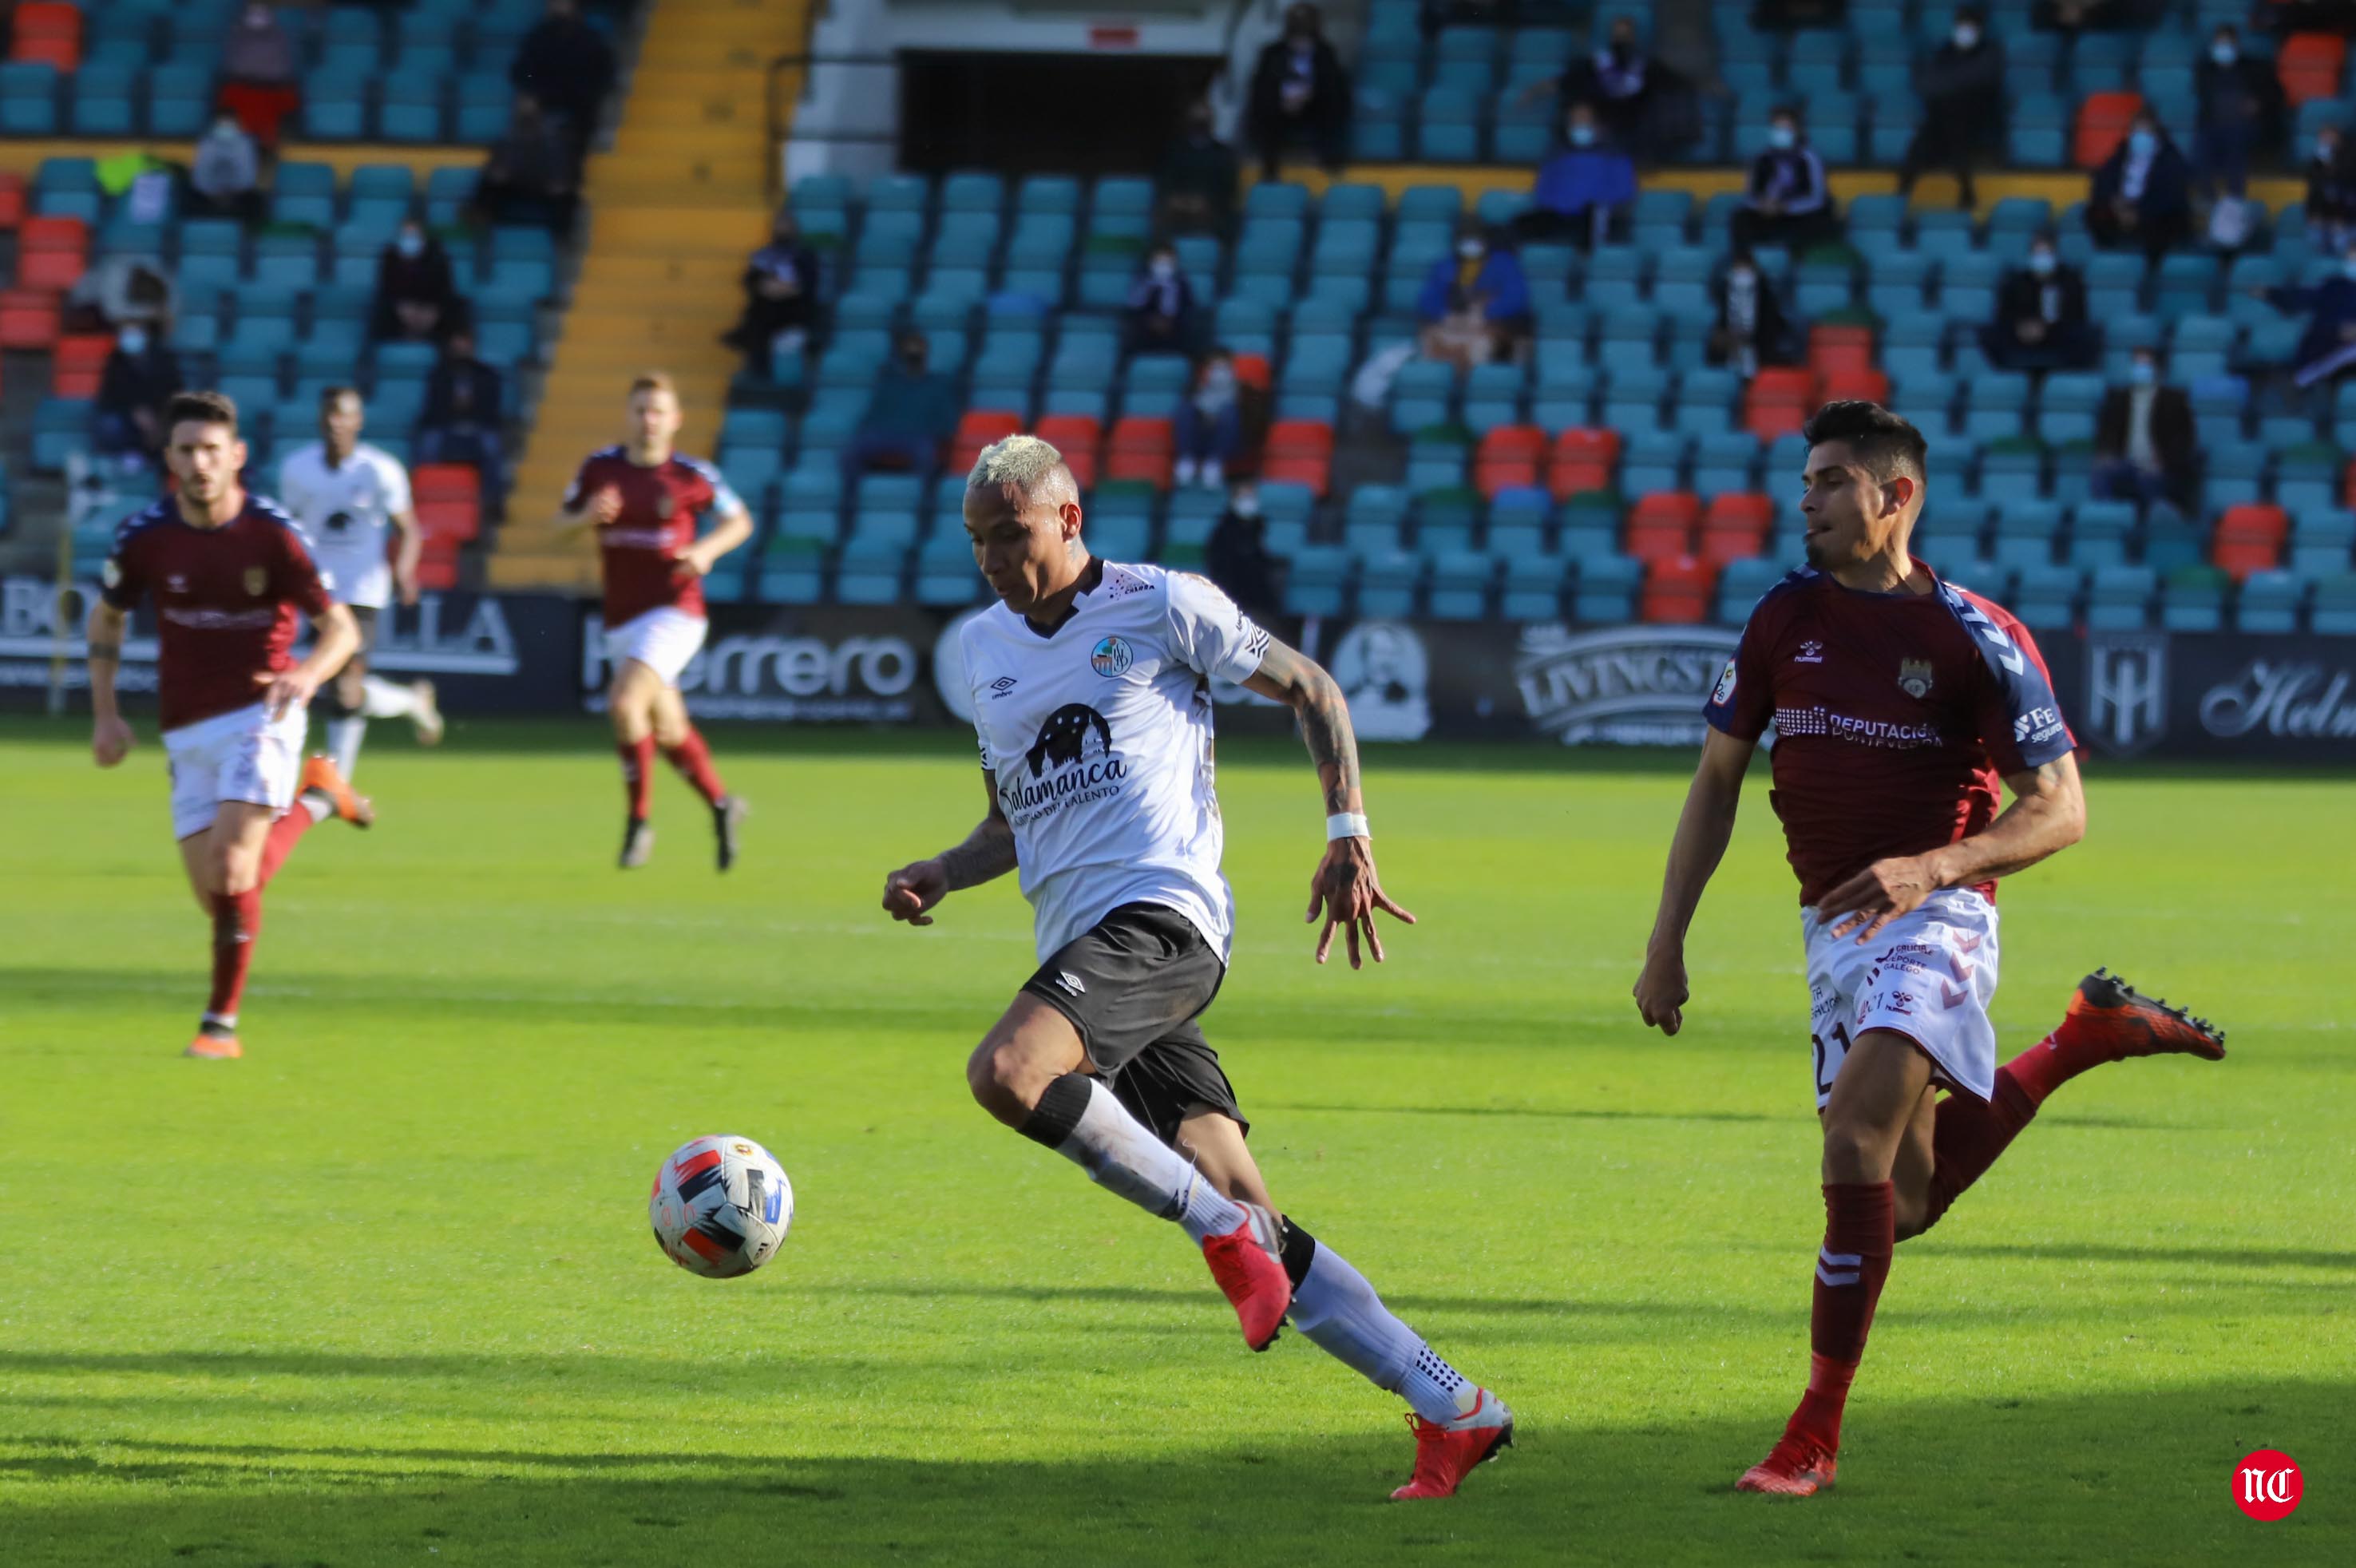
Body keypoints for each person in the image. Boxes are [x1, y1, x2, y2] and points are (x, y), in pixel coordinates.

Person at [881, 434, 1515, 1503]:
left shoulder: (1159, 605)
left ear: (1068, 520)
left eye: (1011, 533)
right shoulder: (983, 652)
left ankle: (1214, 1232)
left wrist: (1346, 829)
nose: (991, 557)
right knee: (1252, 1210)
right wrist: (945, 869)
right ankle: (1454, 1406)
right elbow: (1014, 820)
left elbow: (1310, 686)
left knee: (1008, 1074)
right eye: (976, 540)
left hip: (1163, 924)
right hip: (1088, 956)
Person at [1633, 398, 2225, 1499]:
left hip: (1940, 915)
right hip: (1832, 932)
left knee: (1851, 1142)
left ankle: (1809, 1435)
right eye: (1803, 481)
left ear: (1891, 496)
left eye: (1824, 482)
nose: (1800, 501)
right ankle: (2078, 1042)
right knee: (1898, 1200)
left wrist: (1934, 868)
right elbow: (1714, 784)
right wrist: (1664, 943)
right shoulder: (1777, 622)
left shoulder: (1972, 635)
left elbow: (2058, 810)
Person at [85, 390, 374, 1061]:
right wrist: (105, 714)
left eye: (212, 449)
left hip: (263, 715)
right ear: (169, 458)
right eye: (187, 449)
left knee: (232, 865)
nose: (200, 462)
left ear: (237, 456)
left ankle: (220, 1025)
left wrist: (307, 677)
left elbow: (341, 629)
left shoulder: (273, 535)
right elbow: (107, 618)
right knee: (219, 902)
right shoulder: (145, 538)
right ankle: (320, 798)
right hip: (186, 730)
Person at [556, 374, 754, 870]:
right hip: (622, 619)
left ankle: (637, 824)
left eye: (658, 411)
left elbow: (740, 521)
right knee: (667, 728)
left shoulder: (692, 474)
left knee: (625, 705)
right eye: (641, 409)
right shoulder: (599, 468)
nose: (649, 419)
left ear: (675, 420)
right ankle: (722, 805)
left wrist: (706, 550)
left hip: (675, 612)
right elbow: (558, 528)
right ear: (628, 415)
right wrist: (585, 518)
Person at [276, 387, 445, 780]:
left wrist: (404, 571)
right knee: (334, 684)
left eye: (345, 415)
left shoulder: (381, 470)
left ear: (358, 422)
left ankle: (339, 782)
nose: (337, 422)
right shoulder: (297, 469)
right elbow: (288, 529)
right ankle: (410, 700)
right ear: (320, 420)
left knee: (346, 683)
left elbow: (410, 530)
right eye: (330, 414)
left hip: (363, 589)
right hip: (316, 590)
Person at [1898, 6, 2007, 210]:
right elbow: (1928, 84)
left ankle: (1966, 195)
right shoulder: (1945, 51)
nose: (1964, 31)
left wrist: (1950, 85)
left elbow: (1981, 80)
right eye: (1961, 26)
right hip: (1941, 118)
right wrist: (1951, 86)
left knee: (1956, 129)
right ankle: (1900, 197)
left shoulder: (1990, 52)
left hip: (1977, 118)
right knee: (1920, 143)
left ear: (1980, 30)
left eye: (1969, 27)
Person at [1247, 3, 1350, 180]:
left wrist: (1309, 95)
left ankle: (1331, 160)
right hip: (1281, 106)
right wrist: (1283, 99)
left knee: (1333, 107)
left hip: (1314, 105)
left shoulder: (1326, 53)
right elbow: (1261, 85)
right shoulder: (1272, 53)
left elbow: (1335, 86)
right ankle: (1270, 167)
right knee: (1265, 110)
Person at [1518, 101, 1636, 251]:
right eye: (1575, 120)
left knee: (1594, 220)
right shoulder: (1557, 153)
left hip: (1595, 215)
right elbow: (1543, 190)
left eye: (1584, 119)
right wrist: (1560, 205)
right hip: (1558, 215)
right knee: (1522, 225)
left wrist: (1590, 202)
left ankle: (1588, 262)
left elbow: (1623, 191)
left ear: (1596, 123)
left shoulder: (1614, 154)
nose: (1579, 124)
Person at [842, 331, 960, 478]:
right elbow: (873, 413)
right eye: (909, 354)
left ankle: (925, 498)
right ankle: (849, 499)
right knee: (852, 453)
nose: (913, 357)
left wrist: (937, 434)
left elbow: (947, 420)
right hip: (883, 434)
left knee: (926, 456)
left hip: (918, 437)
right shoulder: (890, 383)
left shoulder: (938, 384)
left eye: (916, 354)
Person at [508, 0, 616, 160]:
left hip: (580, 109)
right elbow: (522, 70)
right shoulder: (538, 37)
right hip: (543, 105)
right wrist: (529, 94)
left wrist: (590, 98)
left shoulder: (591, 39)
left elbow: (604, 74)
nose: (558, 6)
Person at [1416, 227, 1530, 372]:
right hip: (1453, 323)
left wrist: (1485, 313)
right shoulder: (1446, 265)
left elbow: (1516, 298)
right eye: (1466, 240)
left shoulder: (1504, 263)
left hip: (1493, 326)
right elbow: (1428, 300)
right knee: (1429, 343)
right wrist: (1446, 315)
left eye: (1476, 240)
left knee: (1487, 347)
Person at [2091, 349, 2196, 506]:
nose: (2139, 370)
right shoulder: (2119, 399)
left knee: (2149, 479)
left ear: (2157, 369)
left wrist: (2163, 462)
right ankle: (2109, 515)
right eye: (2136, 365)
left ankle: (2150, 521)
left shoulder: (2175, 400)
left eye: (2145, 365)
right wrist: (2107, 455)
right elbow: (2107, 432)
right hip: (2125, 462)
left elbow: (2184, 439)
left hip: (2159, 464)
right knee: (2101, 473)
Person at [721, 209, 821, 374]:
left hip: (794, 310)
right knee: (757, 322)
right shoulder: (764, 255)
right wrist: (767, 287)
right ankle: (760, 373)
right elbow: (751, 281)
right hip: (765, 310)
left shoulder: (804, 255)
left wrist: (785, 289)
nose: (781, 229)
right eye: (778, 225)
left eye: (785, 225)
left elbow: (807, 284)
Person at [1980, 233, 2097, 372]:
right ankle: (2009, 372)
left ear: (2055, 255)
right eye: (2038, 254)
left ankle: (2067, 374)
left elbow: (2078, 314)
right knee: (1989, 332)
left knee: (2086, 334)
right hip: (2021, 336)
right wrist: (2021, 327)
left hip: (2058, 334)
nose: (2042, 259)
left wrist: (2046, 328)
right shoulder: (2017, 281)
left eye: (2046, 253)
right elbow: (2004, 314)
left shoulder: (2070, 280)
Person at [417, 327, 509, 505]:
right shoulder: (440, 373)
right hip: (445, 425)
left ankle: (491, 501)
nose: (461, 346)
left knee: (492, 448)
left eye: (465, 341)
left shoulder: (487, 374)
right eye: (457, 341)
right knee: (428, 445)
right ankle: (423, 495)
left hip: (479, 425)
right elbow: (433, 407)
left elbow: (492, 409)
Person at [2086, 111, 2193, 262]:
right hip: (2122, 208)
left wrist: (2140, 212)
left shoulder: (2170, 158)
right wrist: (2116, 204)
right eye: (2137, 131)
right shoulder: (2121, 153)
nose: (2140, 137)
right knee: (2094, 212)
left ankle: (2152, 266)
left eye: (2145, 132)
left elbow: (2171, 195)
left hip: (2152, 212)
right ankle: (2109, 257)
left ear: (2155, 134)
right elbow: (2103, 180)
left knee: (2167, 221)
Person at [2195, 23, 2283, 200]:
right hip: (2214, 125)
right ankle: (2208, 199)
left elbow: (2277, 94)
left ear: (2236, 46)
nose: (2223, 49)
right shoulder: (2206, 71)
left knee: (2235, 139)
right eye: (2219, 44)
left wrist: (2258, 104)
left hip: (2245, 125)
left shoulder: (2255, 68)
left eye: (2227, 44)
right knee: (2200, 145)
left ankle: (2235, 199)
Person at [1732, 107, 1839, 253]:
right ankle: (1744, 267)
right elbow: (1749, 196)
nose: (1781, 133)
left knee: (1820, 221)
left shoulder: (1809, 158)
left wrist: (1786, 207)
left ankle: (1798, 264)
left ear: (1797, 131)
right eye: (1777, 128)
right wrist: (1762, 205)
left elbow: (1817, 198)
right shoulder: (1761, 158)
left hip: (1799, 214)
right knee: (1740, 218)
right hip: (1767, 213)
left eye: (1786, 128)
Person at [475, 95, 580, 232]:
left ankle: (561, 240)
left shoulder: (553, 141)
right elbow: (495, 168)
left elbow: (561, 174)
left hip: (543, 188)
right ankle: (481, 229)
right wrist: (497, 173)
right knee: (489, 186)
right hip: (515, 186)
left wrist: (558, 183)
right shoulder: (507, 139)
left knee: (566, 199)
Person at [2262, 245, 2356, 388]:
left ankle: (2300, 380)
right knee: (2329, 332)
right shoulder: (2334, 285)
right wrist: (2269, 293)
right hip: (2333, 344)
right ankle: (2298, 381)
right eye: (2352, 257)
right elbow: (2300, 299)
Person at [93, 321, 182, 471]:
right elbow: (108, 397)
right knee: (110, 425)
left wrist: (157, 417)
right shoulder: (115, 361)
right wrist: (134, 412)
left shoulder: (164, 359)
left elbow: (175, 392)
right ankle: (128, 456)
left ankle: (161, 465)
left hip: (160, 415)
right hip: (127, 417)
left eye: (134, 332)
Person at [216, 2, 301, 145]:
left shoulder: (278, 38)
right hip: (244, 88)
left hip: (271, 89)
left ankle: (277, 140)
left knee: (289, 98)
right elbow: (233, 67)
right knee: (227, 96)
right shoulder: (238, 35)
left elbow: (282, 70)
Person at [370, 220, 466, 345]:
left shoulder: (437, 257)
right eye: (406, 236)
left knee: (458, 307)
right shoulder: (390, 257)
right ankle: (369, 356)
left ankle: (456, 351)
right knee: (378, 308)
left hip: (431, 307)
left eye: (414, 236)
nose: (410, 241)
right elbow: (386, 287)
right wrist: (401, 307)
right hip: (400, 308)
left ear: (423, 238)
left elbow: (445, 288)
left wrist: (433, 310)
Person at [1710, 247, 1799, 379]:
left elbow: (1772, 329)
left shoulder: (1766, 300)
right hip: (1731, 355)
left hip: (1760, 353)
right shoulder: (1723, 295)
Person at [1157, 101, 1240, 237]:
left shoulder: (1223, 154)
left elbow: (1229, 189)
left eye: (1203, 122)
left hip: (1213, 211)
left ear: (1211, 123)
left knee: (1230, 223)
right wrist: (1179, 201)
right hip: (1177, 210)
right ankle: (1161, 255)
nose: (1200, 126)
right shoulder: (1175, 151)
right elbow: (1165, 181)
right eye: (1196, 122)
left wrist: (1205, 202)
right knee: (1161, 217)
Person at [1205, 481, 1281, 620]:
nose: (1248, 502)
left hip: (1259, 596)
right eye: (1244, 497)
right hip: (1231, 591)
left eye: (1251, 497)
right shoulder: (1223, 530)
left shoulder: (1260, 527)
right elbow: (1218, 564)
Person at [1174, 348, 1241, 489]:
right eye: (1215, 367)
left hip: (1226, 439)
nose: (1219, 371)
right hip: (1198, 434)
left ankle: (1214, 463)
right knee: (1185, 410)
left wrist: (1218, 415)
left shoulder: (1243, 388)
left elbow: (1248, 416)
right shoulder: (1195, 386)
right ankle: (1187, 460)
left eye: (1223, 367)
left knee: (1230, 413)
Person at [1124, 241, 1199, 358]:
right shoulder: (1142, 281)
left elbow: (1188, 307)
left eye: (1167, 260)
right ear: (1150, 262)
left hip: (1175, 328)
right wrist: (1151, 321)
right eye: (1159, 260)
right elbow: (1134, 307)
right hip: (1146, 328)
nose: (1163, 264)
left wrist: (1170, 321)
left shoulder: (1182, 282)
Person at [188, 113, 263, 224]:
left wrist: (233, 192)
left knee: (257, 201)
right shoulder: (206, 143)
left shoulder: (245, 144)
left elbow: (247, 175)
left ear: (238, 127)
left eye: (228, 126)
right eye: (222, 126)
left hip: (239, 196)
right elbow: (201, 175)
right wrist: (212, 193)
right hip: (208, 196)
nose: (225, 129)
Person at [2305, 125, 2356, 253]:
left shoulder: (2350, 155)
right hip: (2324, 216)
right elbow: (2314, 181)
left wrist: (2342, 219)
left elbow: (2345, 180)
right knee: (2315, 242)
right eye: (2322, 137)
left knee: (2341, 244)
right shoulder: (2322, 154)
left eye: (2329, 136)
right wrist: (2314, 214)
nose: (2325, 140)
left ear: (2337, 136)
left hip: (2347, 217)